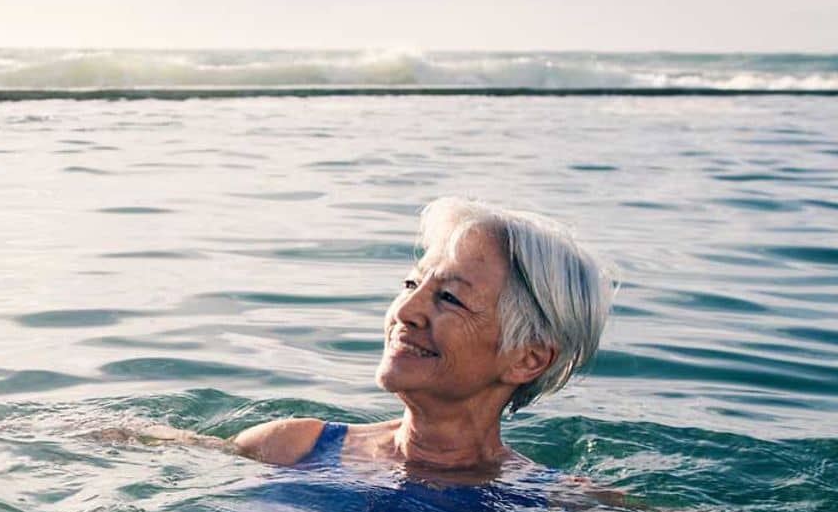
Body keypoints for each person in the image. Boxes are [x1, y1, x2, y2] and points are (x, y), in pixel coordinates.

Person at [120, 196, 614, 482]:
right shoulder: (296, 445)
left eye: (450, 299)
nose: (406, 310)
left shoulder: (552, 503)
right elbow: (190, 451)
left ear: (527, 359)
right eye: (410, 284)